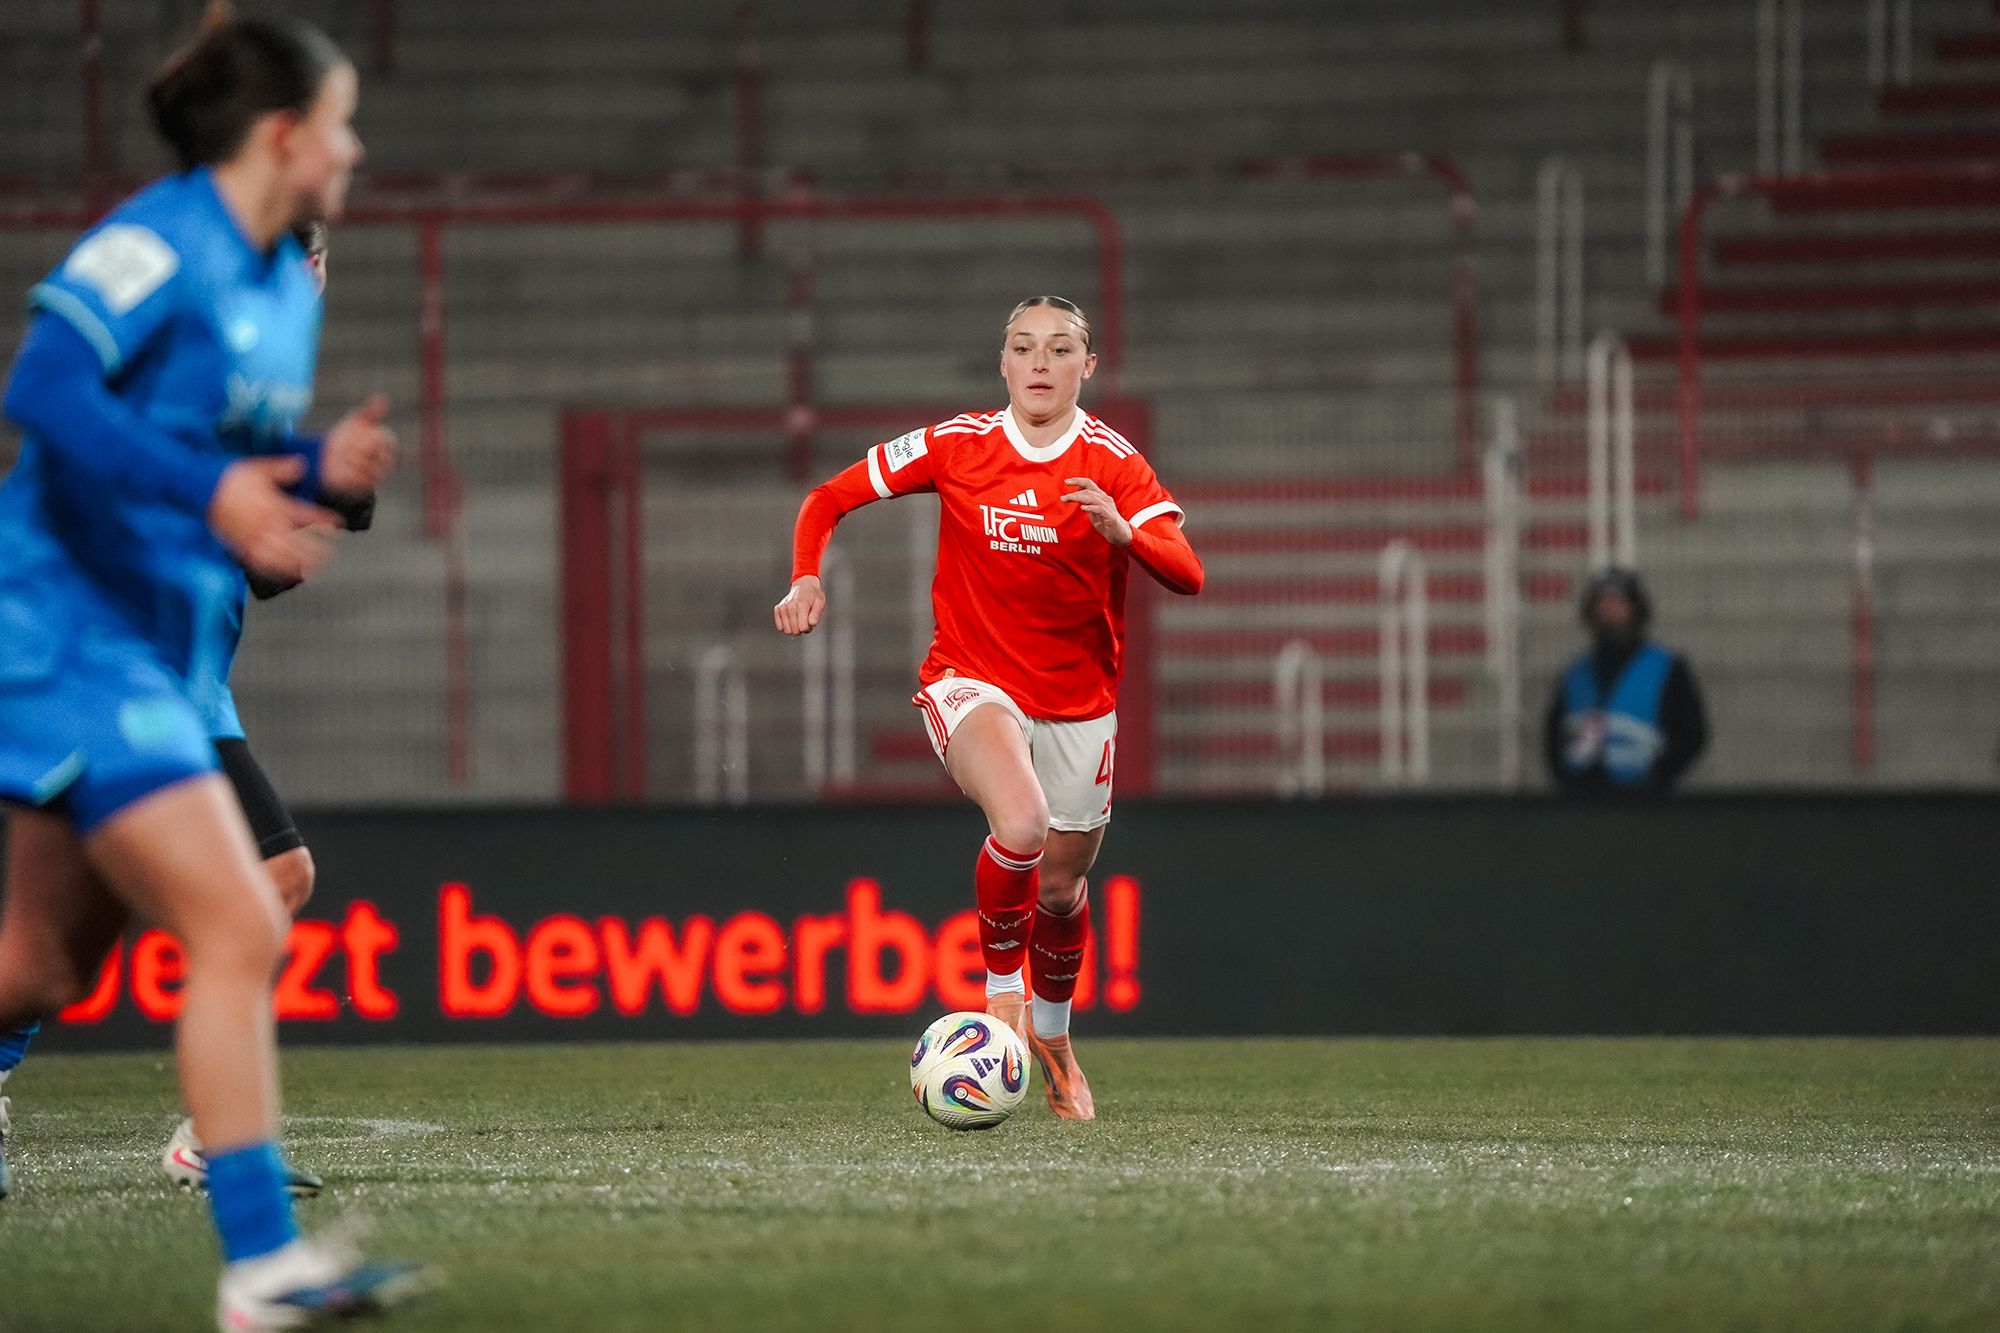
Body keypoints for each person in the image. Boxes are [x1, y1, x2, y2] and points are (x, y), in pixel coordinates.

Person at [0, 11, 424, 1327]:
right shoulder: (153, 246)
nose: (355, 148)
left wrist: (315, 474)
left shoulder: (271, 292)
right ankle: (264, 1268)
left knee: (34, 970)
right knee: (245, 917)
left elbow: (212, 452)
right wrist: (229, 487)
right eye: (342, 123)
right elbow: (48, 392)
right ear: (285, 136)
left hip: (152, 646)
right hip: (68, 634)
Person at [0, 216, 363, 1206]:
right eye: (303, 256)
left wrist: (291, 508)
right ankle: (225, 1163)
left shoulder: (251, 368)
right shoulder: (203, 340)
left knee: (54, 956)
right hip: (125, 674)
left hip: (179, 678)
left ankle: (218, 1153)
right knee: (267, 885)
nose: (311, 277)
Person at [775, 295, 1203, 1120]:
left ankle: (1053, 1038)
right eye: (1023, 347)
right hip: (969, 681)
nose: (1041, 362)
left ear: (1089, 367)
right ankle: (1000, 997)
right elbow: (828, 496)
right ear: (1001, 364)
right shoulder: (956, 444)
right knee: (1022, 824)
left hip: (1080, 705)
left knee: (1062, 893)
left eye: (1060, 348)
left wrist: (1127, 534)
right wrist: (805, 574)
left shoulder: (1115, 464)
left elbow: (1188, 571)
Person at [1543, 567, 1709, 794]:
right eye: (1602, 603)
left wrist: (1658, 778)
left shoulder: (1667, 669)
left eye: (1618, 602)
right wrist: (1566, 779)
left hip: (1644, 804)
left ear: (1636, 609)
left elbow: (1691, 735)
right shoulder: (1576, 673)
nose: (1609, 610)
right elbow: (1553, 734)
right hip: (1581, 802)